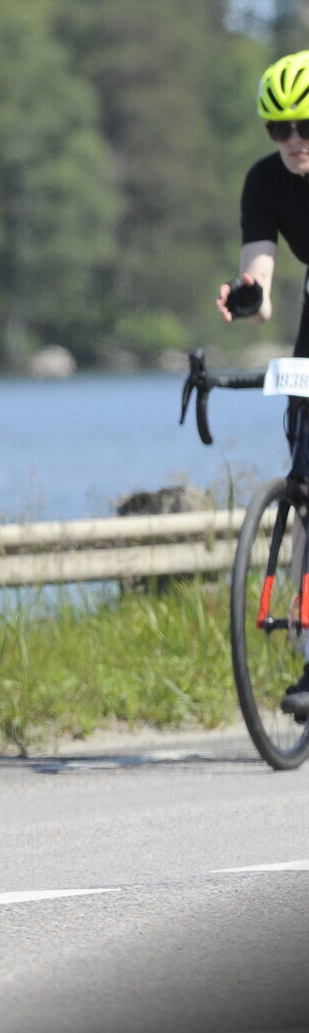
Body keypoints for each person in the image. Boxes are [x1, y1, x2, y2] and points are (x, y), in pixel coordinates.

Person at [221, 49, 309, 718]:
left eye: (305, 126)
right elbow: (262, 271)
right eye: (279, 128)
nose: (294, 141)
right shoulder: (265, 181)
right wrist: (249, 294)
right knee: (307, 480)